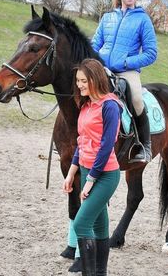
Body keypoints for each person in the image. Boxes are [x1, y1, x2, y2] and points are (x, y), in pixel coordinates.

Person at [63, 58, 122, 275]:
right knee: (99, 227)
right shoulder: (86, 105)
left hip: (105, 175)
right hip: (88, 170)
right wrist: (71, 174)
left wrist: (90, 181)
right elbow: (82, 141)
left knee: (81, 224)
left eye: (83, 81)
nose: (79, 85)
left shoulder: (110, 106)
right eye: (77, 81)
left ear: (95, 79)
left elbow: (106, 146)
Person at [92, 0, 157, 163]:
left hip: (127, 71)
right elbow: (95, 44)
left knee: (136, 99)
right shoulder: (108, 17)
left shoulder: (143, 19)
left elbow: (151, 53)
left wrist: (127, 62)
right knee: (80, 88)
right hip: (102, 68)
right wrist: (93, 60)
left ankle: (144, 146)